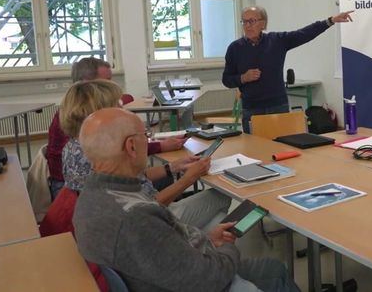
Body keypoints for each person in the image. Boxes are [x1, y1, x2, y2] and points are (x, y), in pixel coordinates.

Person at [74, 108, 300, 292]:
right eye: (145, 135)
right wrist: (227, 248)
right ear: (131, 147)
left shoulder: (93, 194)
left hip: (166, 271)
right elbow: (208, 280)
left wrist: (206, 238)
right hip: (196, 281)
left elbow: (163, 250)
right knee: (273, 270)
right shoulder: (136, 217)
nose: (148, 141)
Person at [58, 80, 230, 231]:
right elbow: (150, 207)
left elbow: (131, 179)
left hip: (128, 220)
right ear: (102, 113)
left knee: (218, 221)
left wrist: (172, 167)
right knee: (220, 197)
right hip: (149, 220)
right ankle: (196, 245)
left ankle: (197, 244)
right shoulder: (98, 154)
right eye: (118, 107)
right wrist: (189, 178)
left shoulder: (77, 146)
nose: (123, 111)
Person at [46, 57, 186, 200]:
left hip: (85, 193)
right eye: (107, 81)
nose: (111, 84)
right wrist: (161, 148)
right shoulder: (84, 123)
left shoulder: (79, 116)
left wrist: (170, 166)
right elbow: (122, 152)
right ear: (88, 84)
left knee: (164, 178)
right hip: (68, 190)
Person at [222, 6, 354, 133]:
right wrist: (243, 78)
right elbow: (226, 80)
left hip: (278, 105)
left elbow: (304, 34)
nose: (247, 25)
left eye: (252, 21)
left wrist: (330, 21)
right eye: (244, 21)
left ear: (263, 23)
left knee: (282, 145)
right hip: (252, 108)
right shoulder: (235, 48)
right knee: (255, 148)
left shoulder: (277, 41)